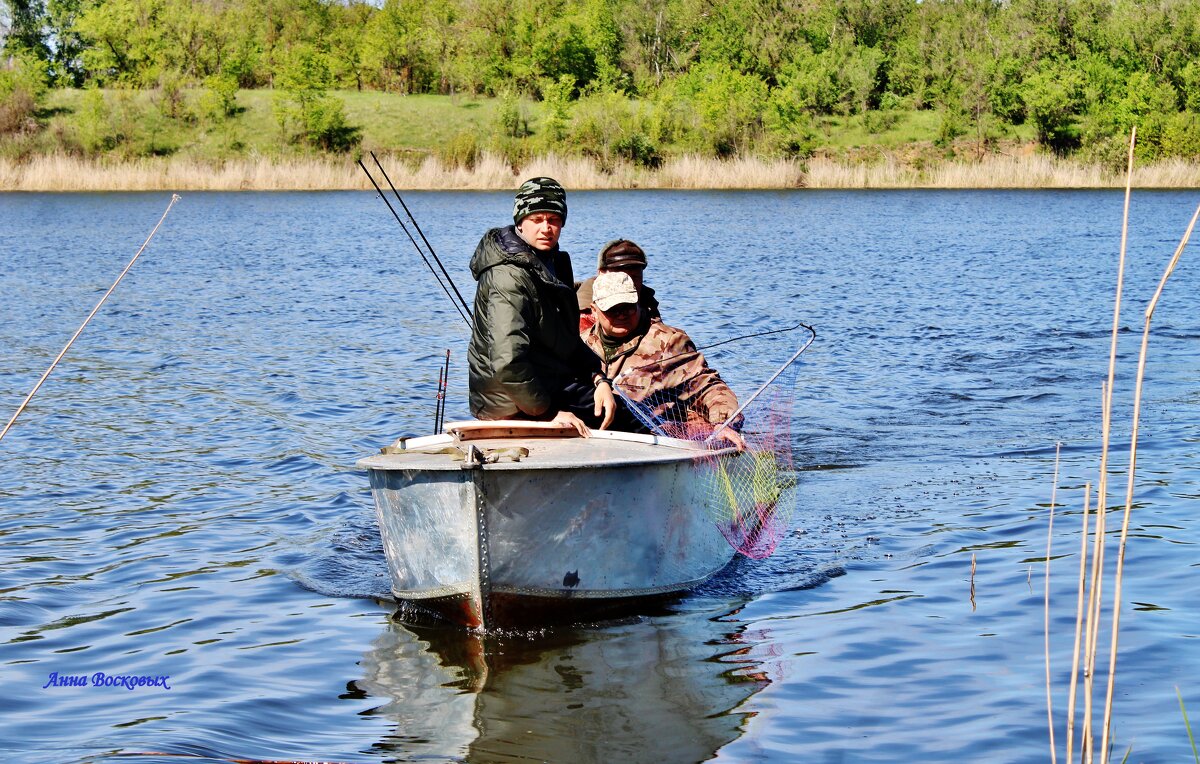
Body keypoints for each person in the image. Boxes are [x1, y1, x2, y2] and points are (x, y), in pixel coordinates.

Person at [467, 177, 616, 436]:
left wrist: (598, 378)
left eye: (554, 219)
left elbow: (566, 340)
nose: (546, 228)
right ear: (520, 223)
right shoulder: (507, 276)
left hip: (546, 383)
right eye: (537, 220)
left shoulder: (555, 261)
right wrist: (549, 414)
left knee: (619, 408)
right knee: (623, 421)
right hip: (508, 401)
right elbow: (507, 360)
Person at [582, 270, 744, 448]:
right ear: (594, 310)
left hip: (657, 440)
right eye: (612, 309)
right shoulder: (579, 344)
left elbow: (707, 385)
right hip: (598, 439)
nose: (622, 314)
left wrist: (723, 423)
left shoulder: (669, 342)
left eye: (628, 306)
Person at [577, 239, 662, 328]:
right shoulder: (584, 314)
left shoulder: (647, 301)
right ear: (601, 273)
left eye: (635, 277)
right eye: (621, 278)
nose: (629, 284)